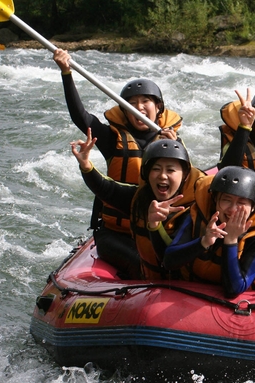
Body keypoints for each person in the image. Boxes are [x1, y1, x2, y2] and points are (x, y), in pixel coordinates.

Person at [54, 48, 185, 278]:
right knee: (144, 265)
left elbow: (187, 181)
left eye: (146, 101)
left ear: (159, 107)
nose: (140, 107)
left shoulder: (172, 141)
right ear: (124, 110)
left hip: (153, 230)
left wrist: (177, 148)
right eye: (132, 103)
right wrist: (66, 73)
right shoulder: (111, 138)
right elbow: (80, 116)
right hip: (115, 234)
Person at [71, 131, 204, 280]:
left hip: (187, 286)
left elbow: (172, 258)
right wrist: (86, 165)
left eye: (171, 170)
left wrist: (156, 226)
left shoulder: (198, 207)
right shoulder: (140, 199)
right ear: (146, 173)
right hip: (149, 284)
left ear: (185, 175)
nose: (162, 175)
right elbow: (108, 190)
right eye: (156, 169)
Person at [161, 166, 255, 298]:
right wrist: (204, 242)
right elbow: (168, 262)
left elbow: (233, 290)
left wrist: (231, 240)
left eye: (242, 202)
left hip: (228, 308)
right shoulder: (196, 217)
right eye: (226, 200)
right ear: (215, 200)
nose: (232, 209)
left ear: (253, 207)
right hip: (190, 292)